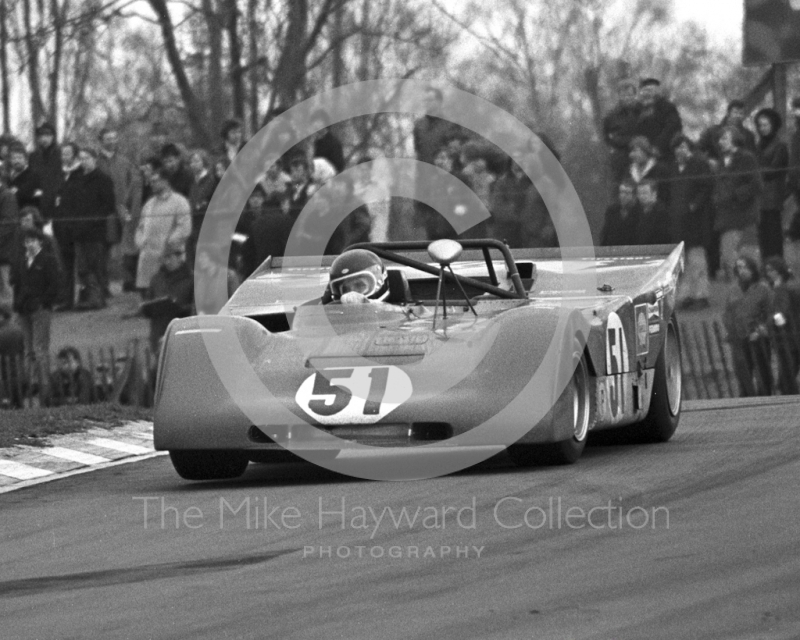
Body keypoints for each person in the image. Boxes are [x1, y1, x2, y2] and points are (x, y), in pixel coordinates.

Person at [669, 134, 714, 309]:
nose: (681, 150)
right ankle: (687, 296)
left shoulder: (699, 164)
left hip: (697, 221)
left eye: (684, 146)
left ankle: (701, 296)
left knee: (698, 259)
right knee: (684, 262)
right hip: (678, 222)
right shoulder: (672, 168)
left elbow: (707, 186)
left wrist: (694, 205)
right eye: (678, 147)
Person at [713, 126, 763, 281]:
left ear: (735, 139)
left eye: (724, 138)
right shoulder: (720, 162)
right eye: (720, 139)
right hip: (726, 219)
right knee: (729, 260)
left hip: (745, 217)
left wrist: (735, 195)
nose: (721, 142)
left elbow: (756, 184)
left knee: (749, 259)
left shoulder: (746, 157)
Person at [97, 127, 143, 293]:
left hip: (124, 209)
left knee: (128, 245)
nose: (111, 141)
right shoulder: (96, 162)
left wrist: (130, 206)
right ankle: (103, 285)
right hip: (104, 211)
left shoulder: (124, 161)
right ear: (101, 140)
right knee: (104, 248)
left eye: (114, 138)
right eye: (108, 138)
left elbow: (135, 183)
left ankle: (129, 281)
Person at [135, 162, 192, 292]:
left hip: (169, 258)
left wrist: (169, 245)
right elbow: (140, 227)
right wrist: (140, 242)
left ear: (165, 181)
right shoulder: (149, 204)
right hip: (148, 258)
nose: (151, 184)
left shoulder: (179, 202)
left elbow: (184, 228)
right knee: (147, 292)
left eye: (155, 181)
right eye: (150, 181)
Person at [10, 227, 60, 378]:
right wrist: (17, 304)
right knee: (27, 349)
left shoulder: (48, 259)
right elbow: (16, 284)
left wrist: (42, 302)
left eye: (32, 241)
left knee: (40, 348)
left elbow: (55, 285)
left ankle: (43, 382)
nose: (29, 244)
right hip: (23, 310)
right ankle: (29, 382)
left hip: (40, 310)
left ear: (40, 242)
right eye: (27, 241)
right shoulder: (21, 261)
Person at [723, 256, 774, 397]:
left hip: (758, 337)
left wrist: (762, 329)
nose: (742, 271)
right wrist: (730, 330)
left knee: (763, 374)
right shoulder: (733, 290)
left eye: (745, 267)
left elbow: (770, 313)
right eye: (739, 267)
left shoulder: (763, 289)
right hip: (738, 338)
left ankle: (765, 400)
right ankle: (746, 401)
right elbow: (727, 313)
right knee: (743, 375)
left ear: (752, 269)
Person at [74, 146, 116, 310]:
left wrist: (93, 219)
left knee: (96, 264)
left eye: (87, 158)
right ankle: (89, 297)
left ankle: (99, 297)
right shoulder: (77, 178)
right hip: (79, 229)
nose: (84, 161)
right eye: (81, 158)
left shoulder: (103, 179)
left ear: (94, 159)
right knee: (83, 267)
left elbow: (108, 205)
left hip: (95, 230)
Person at [142, 241, 194, 352]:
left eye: (170, 258)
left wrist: (179, 307)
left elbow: (196, 307)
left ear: (179, 258)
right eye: (165, 258)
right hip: (159, 330)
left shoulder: (191, 279)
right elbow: (149, 300)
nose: (167, 262)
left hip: (181, 329)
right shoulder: (156, 279)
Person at [754, 107, 789, 260]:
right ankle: (766, 264)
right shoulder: (759, 144)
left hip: (773, 195)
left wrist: (756, 172)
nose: (762, 128)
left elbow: (775, 170)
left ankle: (777, 264)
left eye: (766, 125)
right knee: (762, 233)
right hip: (760, 196)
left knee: (773, 232)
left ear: (773, 125)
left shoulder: (780, 145)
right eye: (760, 125)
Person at [52, 142, 83, 309]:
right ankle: (67, 300)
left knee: (82, 265)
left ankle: (84, 299)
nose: (65, 157)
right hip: (61, 227)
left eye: (68, 153)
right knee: (65, 265)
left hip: (77, 226)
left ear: (74, 155)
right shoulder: (60, 175)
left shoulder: (80, 174)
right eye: (63, 154)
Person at [764, 256, 800, 395]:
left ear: (779, 271)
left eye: (772, 270)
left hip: (788, 337)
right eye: (767, 270)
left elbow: (782, 312)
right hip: (790, 336)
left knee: (786, 377)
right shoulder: (787, 286)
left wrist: (775, 322)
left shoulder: (782, 288)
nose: (769, 273)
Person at [602, 78, 641, 184]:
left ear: (635, 95)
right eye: (624, 95)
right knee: (620, 185)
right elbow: (606, 137)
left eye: (630, 95)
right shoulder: (611, 116)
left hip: (641, 156)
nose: (627, 98)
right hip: (621, 157)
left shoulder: (643, 111)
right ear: (619, 96)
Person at [633, 78, 683, 161]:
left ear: (657, 92)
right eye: (644, 91)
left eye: (650, 90)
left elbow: (671, 128)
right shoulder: (637, 109)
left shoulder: (667, 107)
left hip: (663, 152)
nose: (646, 94)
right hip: (642, 153)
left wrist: (657, 147)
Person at [698, 100, 757, 164]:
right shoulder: (712, 131)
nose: (738, 116)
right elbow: (698, 150)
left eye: (741, 113)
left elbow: (752, 156)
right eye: (735, 112)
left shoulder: (748, 135)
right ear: (728, 113)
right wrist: (708, 161)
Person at [325, 249, 389, 304]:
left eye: (360, 285)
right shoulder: (331, 313)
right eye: (345, 289)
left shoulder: (396, 311)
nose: (351, 293)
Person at [193, 243, 241, 315]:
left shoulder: (229, 276)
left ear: (212, 257)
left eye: (203, 257)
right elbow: (195, 305)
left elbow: (236, 302)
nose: (200, 260)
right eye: (199, 257)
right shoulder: (200, 279)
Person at [28, 122, 62, 222]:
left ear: (53, 137)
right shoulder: (33, 156)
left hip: (56, 199)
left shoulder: (60, 154)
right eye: (41, 135)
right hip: (38, 200)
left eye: (48, 135)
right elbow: (31, 178)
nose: (44, 139)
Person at [624, 136, 670, 205]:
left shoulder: (660, 169)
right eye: (631, 151)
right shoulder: (629, 170)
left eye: (635, 151)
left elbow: (665, 195)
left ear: (645, 151)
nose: (631, 155)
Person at [0, 173, 19, 309]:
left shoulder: (7, 196)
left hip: (5, 250)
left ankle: (11, 319)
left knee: (7, 284)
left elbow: (9, 223)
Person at [601, 180, 640, 246]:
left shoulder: (640, 212)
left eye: (627, 193)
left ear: (634, 195)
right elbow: (606, 233)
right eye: (621, 192)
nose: (623, 196)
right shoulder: (612, 210)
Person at [633, 180, 672, 245]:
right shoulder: (635, 212)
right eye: (639, 193)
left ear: (654, 194)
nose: (641, 196)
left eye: (644, 193)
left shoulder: (663, 213)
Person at [7, 144, 42, 210]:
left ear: (26, 160)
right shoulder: (9, 177)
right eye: (14, 158)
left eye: (20, 158)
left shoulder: (32, 175)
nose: (17, 161)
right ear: (10, 160)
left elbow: (24, 194)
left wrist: (15, 192)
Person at [311, 108, 345, 173]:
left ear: (325, 123)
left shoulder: (334, 143)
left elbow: (338, 167)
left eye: (318, 122)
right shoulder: (315, 142)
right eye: (314, 122)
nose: (315, 125)